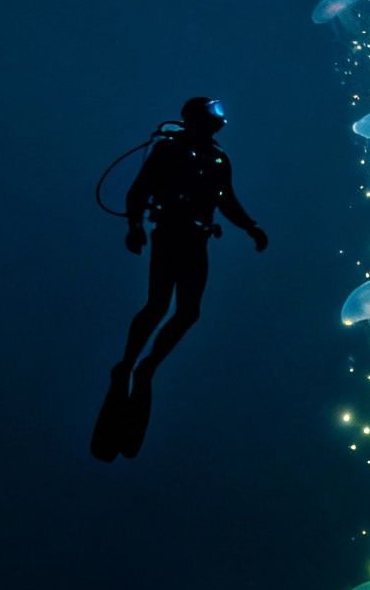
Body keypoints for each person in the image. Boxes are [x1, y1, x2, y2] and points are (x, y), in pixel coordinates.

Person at [91, 97, 268, 461]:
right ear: (197, 118)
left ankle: (146, 366)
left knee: (189, 312)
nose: (220, 118)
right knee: (158, 305)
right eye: (214, 113)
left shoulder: (219, 159)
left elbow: (227, 201)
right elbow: (139, 190)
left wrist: (251, 226)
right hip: (170, 233)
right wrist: (135, 226)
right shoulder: (169, 150)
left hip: (198, 239)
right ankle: (124, 366)